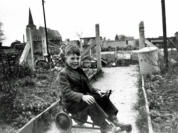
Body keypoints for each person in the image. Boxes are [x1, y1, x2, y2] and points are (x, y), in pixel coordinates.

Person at [58, 44, 132, 133]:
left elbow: (87, 86)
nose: (75, 61)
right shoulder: (63, 73)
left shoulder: (79, 70)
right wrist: (82, 97)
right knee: (91, 101)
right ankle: (104, 126)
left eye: (77, 58)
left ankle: (115, 120)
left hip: (82, 99)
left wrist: (98, 91)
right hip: (72, 104)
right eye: (72, 58)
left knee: (102, 97)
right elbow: (67, 92)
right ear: (66, 58)